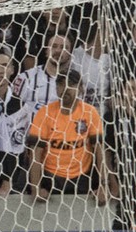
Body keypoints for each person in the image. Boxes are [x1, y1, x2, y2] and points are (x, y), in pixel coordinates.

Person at [26, 68, 110, 204]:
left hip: (82, 178)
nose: (65, 88)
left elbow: (99, 150)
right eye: (60, 84)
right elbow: (35, 153)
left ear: (81, 89)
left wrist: (103, 186)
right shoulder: (44, 113)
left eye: (71, 84)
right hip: (50, 178)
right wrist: (36, 188)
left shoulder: (90, 112)